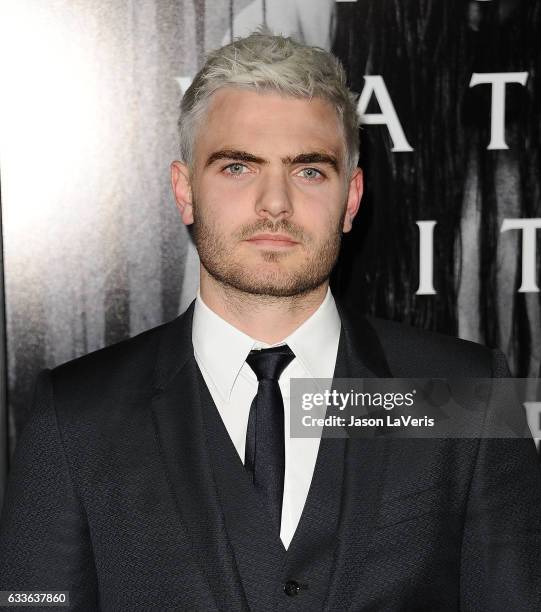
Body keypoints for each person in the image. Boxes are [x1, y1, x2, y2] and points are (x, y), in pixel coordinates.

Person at [0, 30, 540, 611]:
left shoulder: (468, 395)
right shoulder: (77, 412)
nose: (275, 203)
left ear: (351, 198)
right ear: (185, 192)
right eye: (238, 167)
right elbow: (34, 601)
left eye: (309, 171)